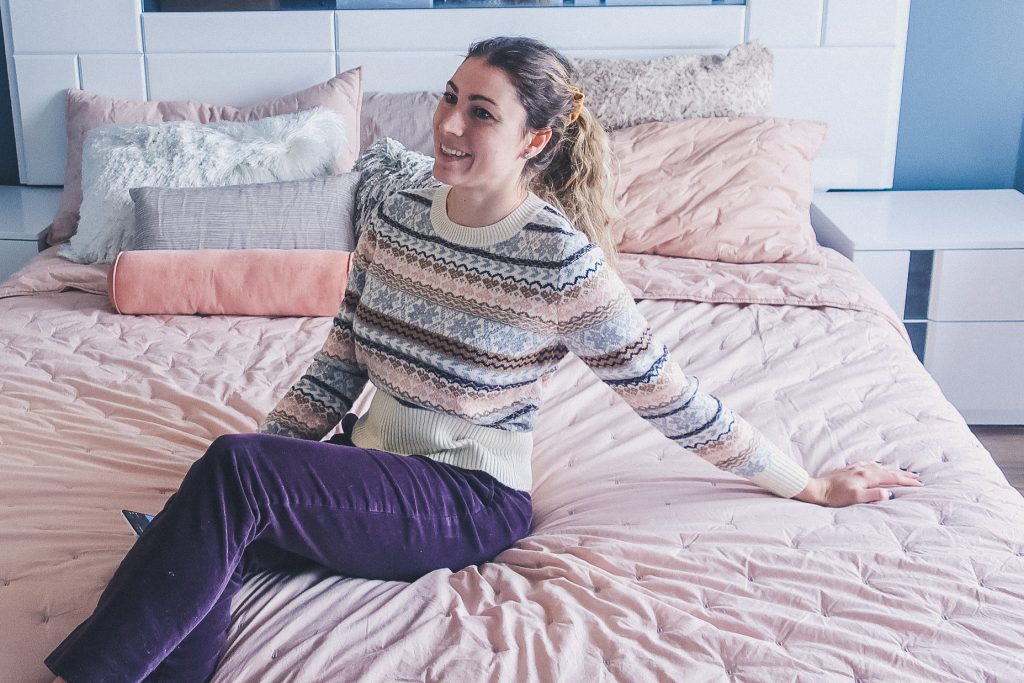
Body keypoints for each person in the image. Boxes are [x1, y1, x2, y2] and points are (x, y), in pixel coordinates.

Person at [45, 36, 922, 683]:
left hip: (469, 499)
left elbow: (671, 396)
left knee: (232, 477)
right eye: (449, 96)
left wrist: (804, 483)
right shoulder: (392, 209)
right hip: (372, 462)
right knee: (222, 509)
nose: (448, 122)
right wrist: (287, 451)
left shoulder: (560, 261)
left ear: (536, 140)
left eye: (481, 110)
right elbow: (340, 358)